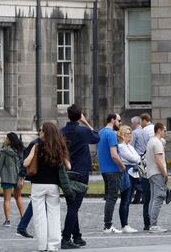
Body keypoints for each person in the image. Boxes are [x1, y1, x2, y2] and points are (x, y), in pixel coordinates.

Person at [24, 122, 71, 252]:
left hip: (38, 185)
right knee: (54, 216)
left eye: (41, 131)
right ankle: (53, 245)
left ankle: (42, 245)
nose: (40, 133)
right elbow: (69, 167)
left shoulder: (36, 146)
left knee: (39, 217)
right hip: (53, 186)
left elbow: (25, 163)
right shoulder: (59, 147)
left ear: (45, 133)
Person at [61, 104, 100, 248]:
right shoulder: (82, 131)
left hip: (66, 172)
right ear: (80, 116)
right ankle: (66, 238)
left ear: (68, 115)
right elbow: (96, 138)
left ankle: (77, 236)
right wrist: (86, 122)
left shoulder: (62, 132)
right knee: (74, 207)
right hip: (81, 173)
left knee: (72, 205)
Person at [98, 113, 125, 233]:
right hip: (113, 170)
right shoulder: (111, 134)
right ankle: (108, 226)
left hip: (104, 170)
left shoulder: (101, 132)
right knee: (111, 198)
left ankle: (107, 225)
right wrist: (122, 166)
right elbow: (114, 154)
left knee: (109, 197)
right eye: (119, 121)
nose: (120, 123)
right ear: (113, 120)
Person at [0, 132, 25, 228]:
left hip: (7, 177)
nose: (5, 140)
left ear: (10, 141)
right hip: (18, 177)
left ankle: (7, 221)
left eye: (6, 139)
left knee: (7, 199)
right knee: (18, 197)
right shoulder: (20, 151)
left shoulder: (4, 151)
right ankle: (23, 218)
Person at [144, 122, 169, 233]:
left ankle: (151, 224)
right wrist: (165, 174)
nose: (165, 132)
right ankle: (153, 225)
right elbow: (159, 161)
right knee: (158, 198)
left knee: (153, 199)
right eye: (164, 130)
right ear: (159, 130)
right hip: (157, 173)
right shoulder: (157, 142)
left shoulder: (150, 141)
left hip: (151, 173)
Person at [117, 125, 141, 233]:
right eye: (127, 133)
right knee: (125, 200)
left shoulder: (130, 146)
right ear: (122, 134)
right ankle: (124, 224)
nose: (129, 135)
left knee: (129, 200)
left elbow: (138, 158)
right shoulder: (121, 147)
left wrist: (136, 159)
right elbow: (133, 158)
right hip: (127, 173)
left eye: (130, 133)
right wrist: (136, 159)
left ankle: (126, 223)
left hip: (134, 173)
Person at [133, 113, 155, 229]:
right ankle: (150, 222)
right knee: (150, 197)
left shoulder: (139, 132)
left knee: (147, 197)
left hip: (141, 163)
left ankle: (148, 223)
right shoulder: (147, 133)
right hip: (148, 164)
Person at [130, 116, 143, 204]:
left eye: (132, 123)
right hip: (144, 157)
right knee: (142, 178)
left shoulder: (134, 133)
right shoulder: (145, 132)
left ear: (135, 123)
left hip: (136, 157)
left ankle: (136, 198)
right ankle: (141, 197)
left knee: (135, 178)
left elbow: (131, 145)